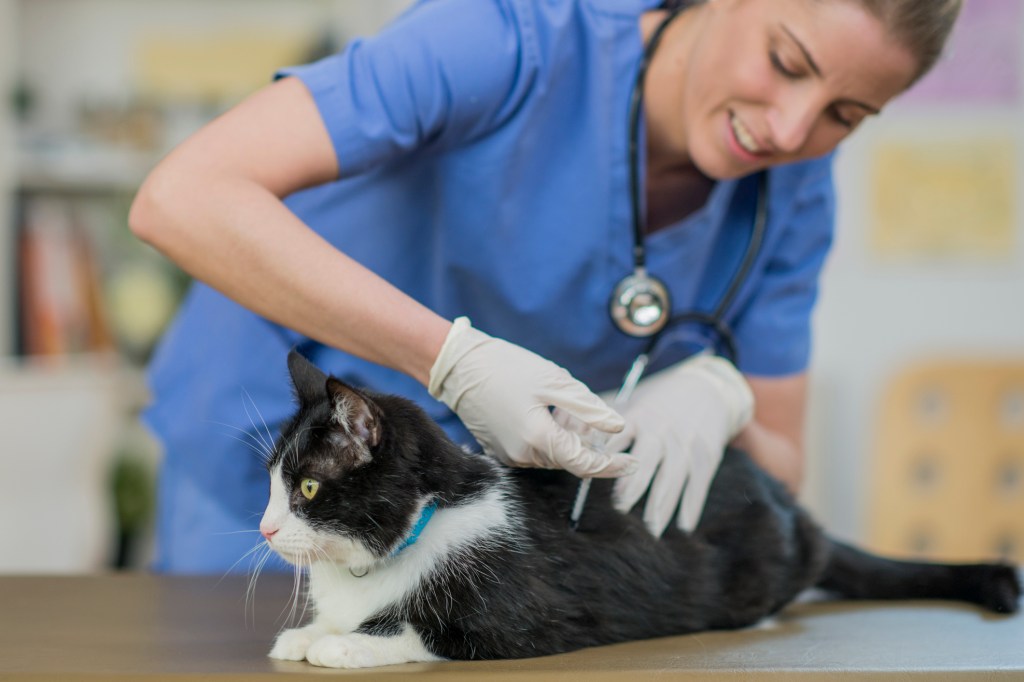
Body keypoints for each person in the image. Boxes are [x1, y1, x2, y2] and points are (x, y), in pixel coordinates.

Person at [130, 0, 960, 573]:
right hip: (276, 471)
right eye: (785, 62)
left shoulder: (795, 196)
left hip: (463, 534)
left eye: (845, 114)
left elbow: (783, 464)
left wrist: (721, 396)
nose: (789, 128)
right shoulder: (511, 35)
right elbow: (183, 198)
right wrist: (449, 359)